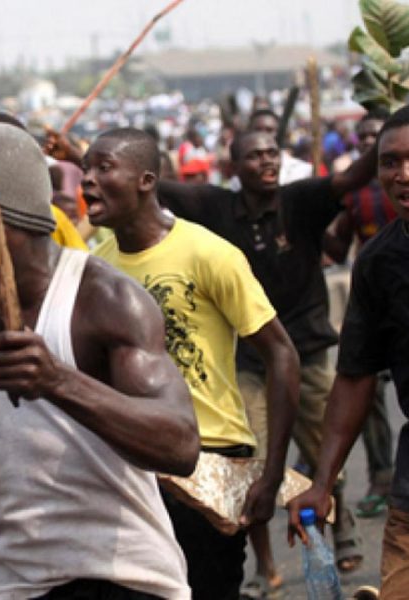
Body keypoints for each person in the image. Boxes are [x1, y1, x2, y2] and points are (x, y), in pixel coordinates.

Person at [0, 121, 194, 599]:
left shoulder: (104, 300)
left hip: (128, 577)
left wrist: (59, 381)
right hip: (14, 582)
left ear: (26, 221)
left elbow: (180, 445)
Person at [156, 129, 379, 583]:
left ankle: (344, 531)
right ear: (234, 167)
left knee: (325, 454)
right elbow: (153, 184)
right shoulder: (216, 207)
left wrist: (390, 133)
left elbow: (355, 175)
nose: (266, 162)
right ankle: (266, 566)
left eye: (271, 153)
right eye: (254, 156)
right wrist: (80, 156)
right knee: (252, 465)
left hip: (309, 351)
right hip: (252, 359)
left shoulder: (304, 200)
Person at [86, 128, 299, 599]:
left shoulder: (208, 253)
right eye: (84, 169)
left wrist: (272, 473)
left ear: (145, 180)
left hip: (209, 462)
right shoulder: (95, 271)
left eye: (102, 168)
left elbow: (281, 353)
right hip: (133, 470)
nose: (86, 181)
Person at [288, 104, 409, 598]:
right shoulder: (379, 262)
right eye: (390, 161)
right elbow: (355, 376)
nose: (402, 174)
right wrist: (322, 482)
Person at [323, 108, 398, 520]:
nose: (369, 145)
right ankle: (381, 476)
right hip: (377, 309)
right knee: (369, 397)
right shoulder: (355, 198)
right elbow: (340, 250)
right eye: (366, 142)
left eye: (377, 137)